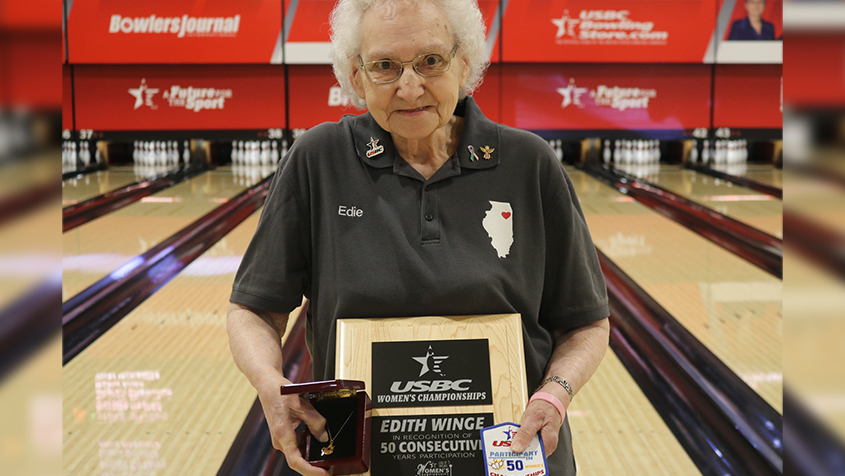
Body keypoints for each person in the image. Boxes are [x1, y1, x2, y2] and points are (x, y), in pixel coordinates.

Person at [226, 0, 609, 475]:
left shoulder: (529, 164)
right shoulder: (317, 159)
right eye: (384, 66)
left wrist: (557, 393)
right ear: (356, 74)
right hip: (358, 458)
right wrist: (270, 383)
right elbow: (253, 309)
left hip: (512, 454)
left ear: (465, 61)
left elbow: (585, 324)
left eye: (431, 61)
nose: (410, 86)